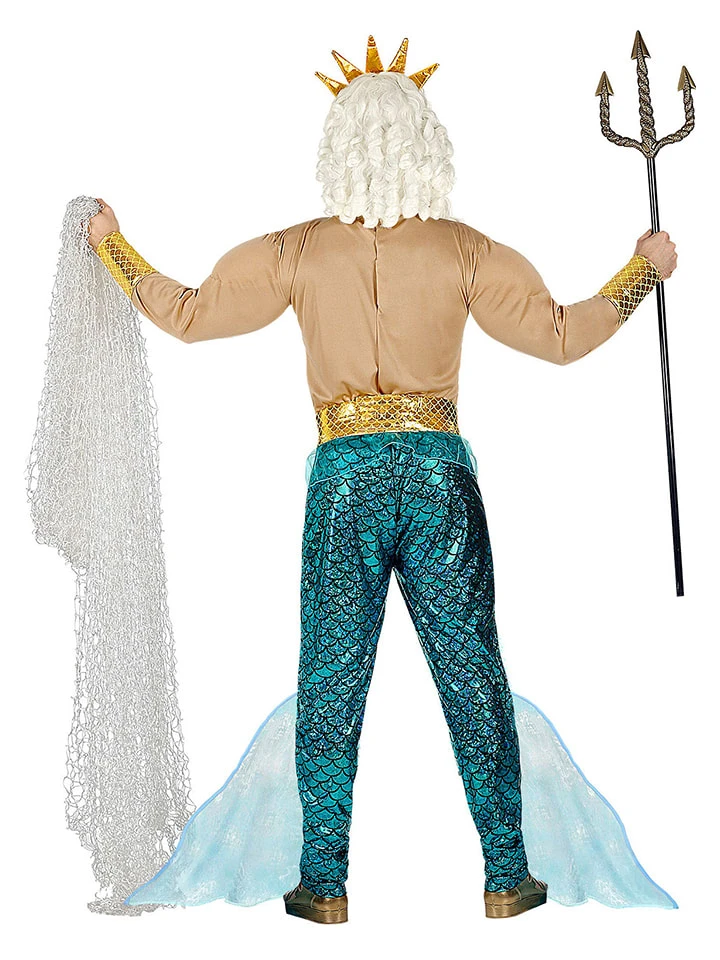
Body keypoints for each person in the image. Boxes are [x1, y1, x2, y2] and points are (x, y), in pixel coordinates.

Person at [86, 36, 677, 923]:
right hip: (440, 480)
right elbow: (560, 335)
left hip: (346, 483)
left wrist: (113, 247)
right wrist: (644, 273)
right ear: (426, 140)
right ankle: (506, 875)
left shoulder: (297, 250)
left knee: (331, 681)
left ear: (340, 144)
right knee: (472, 674)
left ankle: (323, 883)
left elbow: (193, 316)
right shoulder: (465, 250)